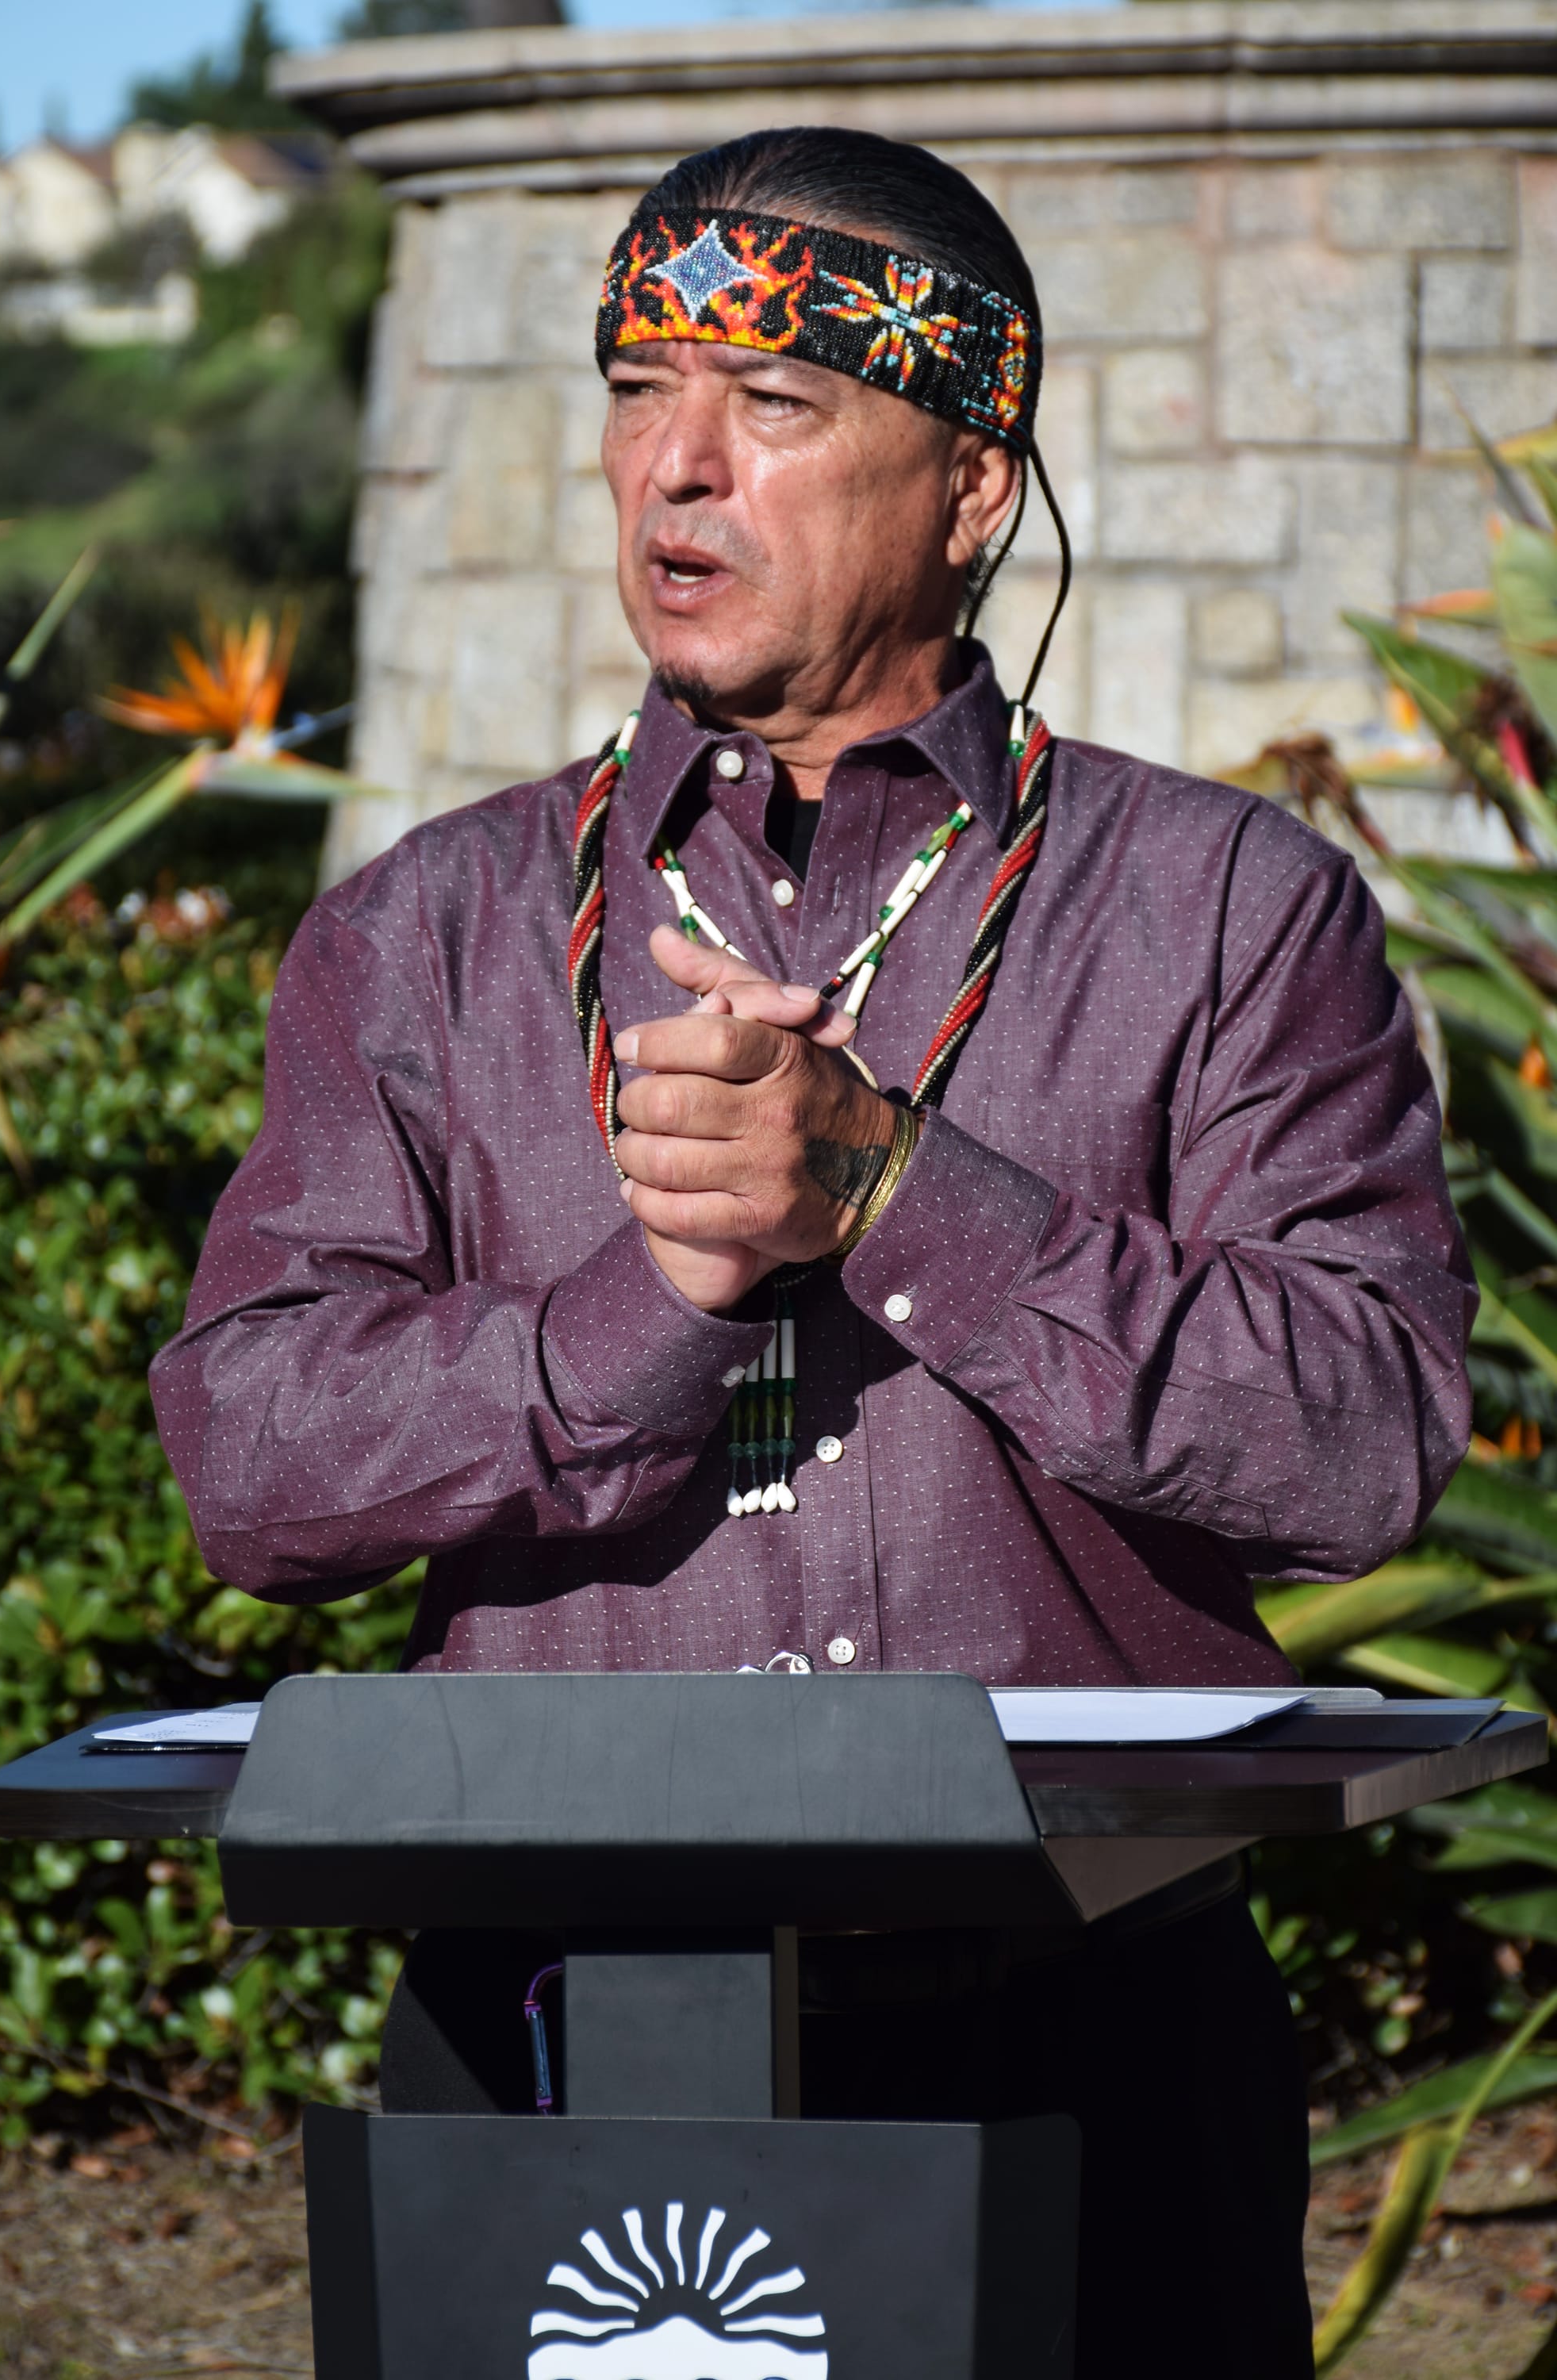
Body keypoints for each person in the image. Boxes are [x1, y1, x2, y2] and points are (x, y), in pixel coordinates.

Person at [151, 127, 1473, 2377]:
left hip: (1094, 2037)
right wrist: (631, 1321)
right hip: (543, 2041)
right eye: (639, 389)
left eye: (775, 408)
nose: (678, 473)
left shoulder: (1233, 913)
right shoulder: (424, 936)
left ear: (972, 487)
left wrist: (897, 1196)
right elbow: (253, 1464)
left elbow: (1359, 1443)